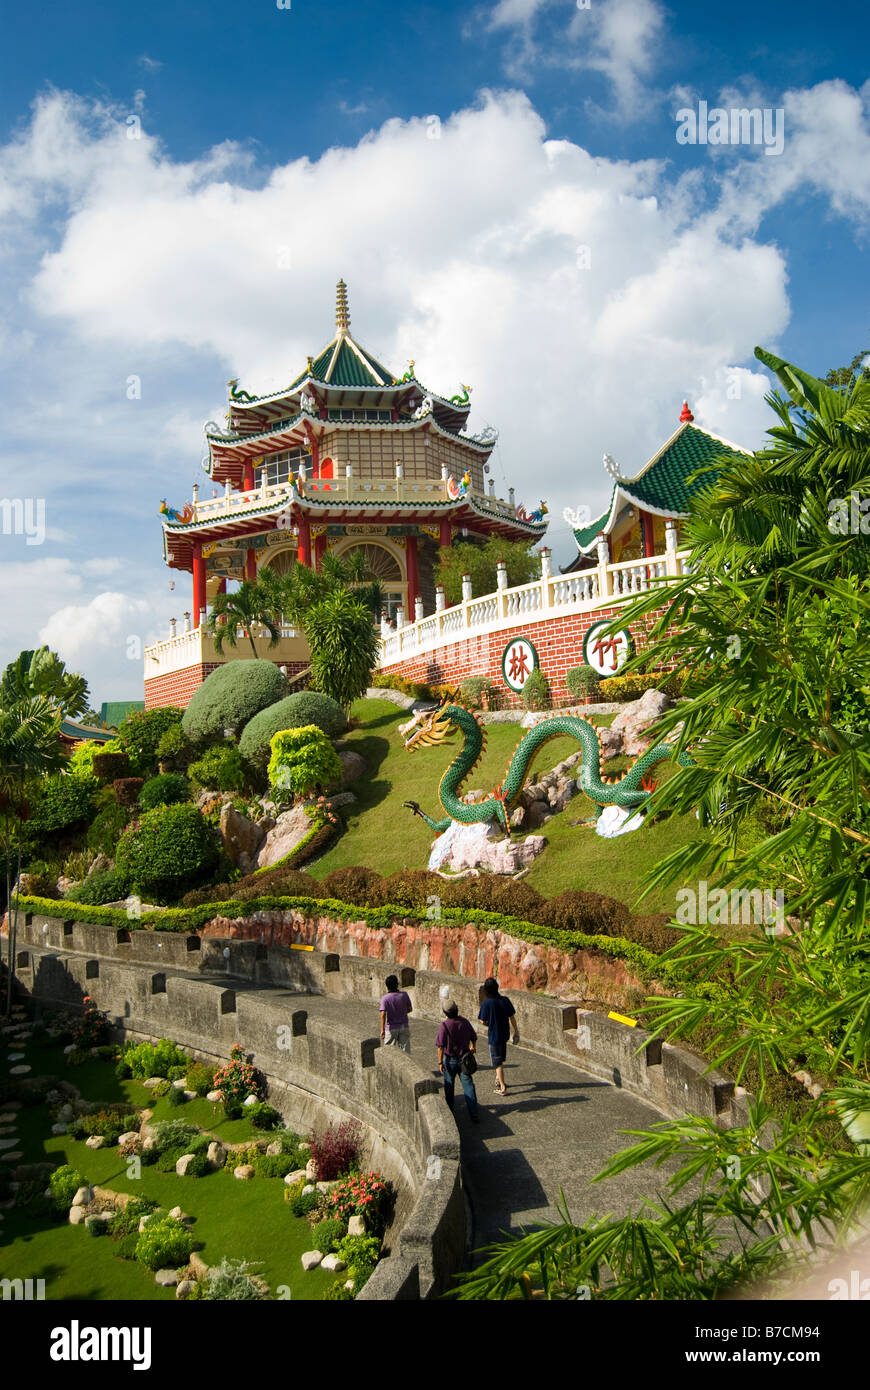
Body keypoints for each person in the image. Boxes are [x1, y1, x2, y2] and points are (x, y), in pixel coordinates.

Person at [435, 1002, 480, 1123]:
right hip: (464, 1059)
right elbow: (473, 1036)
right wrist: (473, 1047)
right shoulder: (464, 1022)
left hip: (450, 1060)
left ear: (446, 1013)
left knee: (449, 1086)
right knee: (468, 1086)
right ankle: (474, 1113)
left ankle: (450, 1111)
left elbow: (440, 1047)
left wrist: (440, 1063)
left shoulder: (444, 1026)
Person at [478, 977, 519, 1095]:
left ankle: (502, 1087)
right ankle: (498, 1079)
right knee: (500, 1058)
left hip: (494, 1036)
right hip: (504, 1033)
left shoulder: (487, 1003)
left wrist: (488, 1023)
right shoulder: (505, 1000)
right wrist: (516, 1031)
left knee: (497, 1062)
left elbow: (482, 1020)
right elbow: (512, 1017)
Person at [379, 973, 413, 1053]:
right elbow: (410, 1009)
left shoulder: (385, 998)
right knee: (405, 1052)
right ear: (397, 984)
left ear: (387, 986)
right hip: (404, 1026)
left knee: (388, 1052)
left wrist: (382, 1030)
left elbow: (383, 1014)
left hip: (391, 1028)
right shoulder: (404, 995)